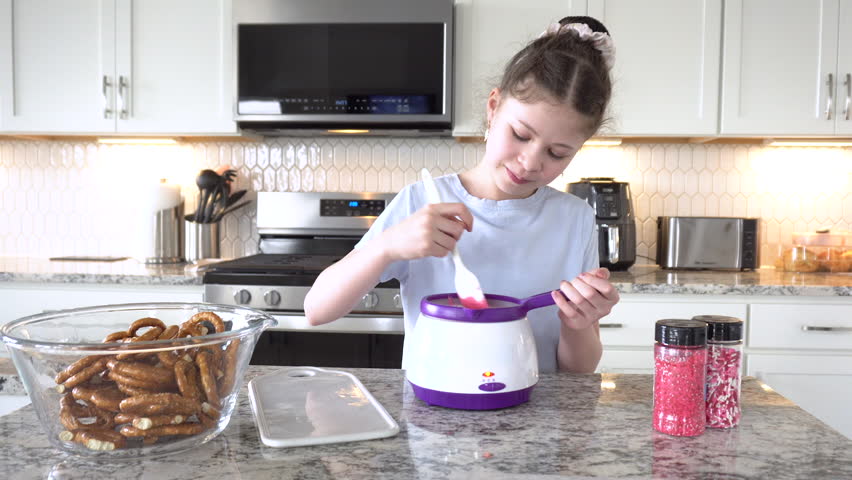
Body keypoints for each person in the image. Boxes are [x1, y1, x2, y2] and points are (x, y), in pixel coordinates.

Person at [305, 16, 620, 373]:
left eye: (557, 153)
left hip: (537, 423)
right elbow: (317, 309)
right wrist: (387, 246)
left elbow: (580, 371)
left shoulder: (574, 219)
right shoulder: (422, 201)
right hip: (436, 419)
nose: (530, 162)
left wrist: (576, 323)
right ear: (493, 108)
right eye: (520, 134)